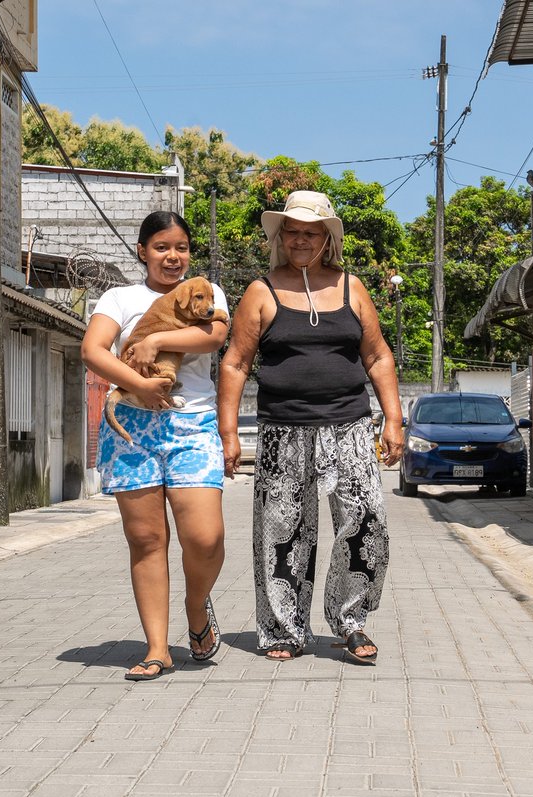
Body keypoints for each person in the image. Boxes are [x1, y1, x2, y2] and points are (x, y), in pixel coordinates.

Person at [217, 190, 404, 664]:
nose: (301, 240)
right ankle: (284, 629)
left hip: (350, 426)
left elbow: (378, 355)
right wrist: (229, 433)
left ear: (327, 240)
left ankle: (351, 622)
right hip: (283, 430)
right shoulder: (261, 291)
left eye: (311, 233)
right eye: (293, 232)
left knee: (367, 523)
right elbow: (236, 363)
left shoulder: (351, 288)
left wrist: (394, 419)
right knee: (283, 530)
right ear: (281, 237)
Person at [80, 211, 229, 681]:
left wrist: (160, 337)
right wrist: (138, 387)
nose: (173, 256)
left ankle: (195, 606)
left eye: (181, 247)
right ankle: (157, 648)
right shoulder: (119, 297)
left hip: (192, 424)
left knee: (205, 538)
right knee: (147, 540)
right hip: (132, 427)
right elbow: (93, 349)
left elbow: (215, 335)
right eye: (162, 247)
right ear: (143, 250)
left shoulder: (207, 291)